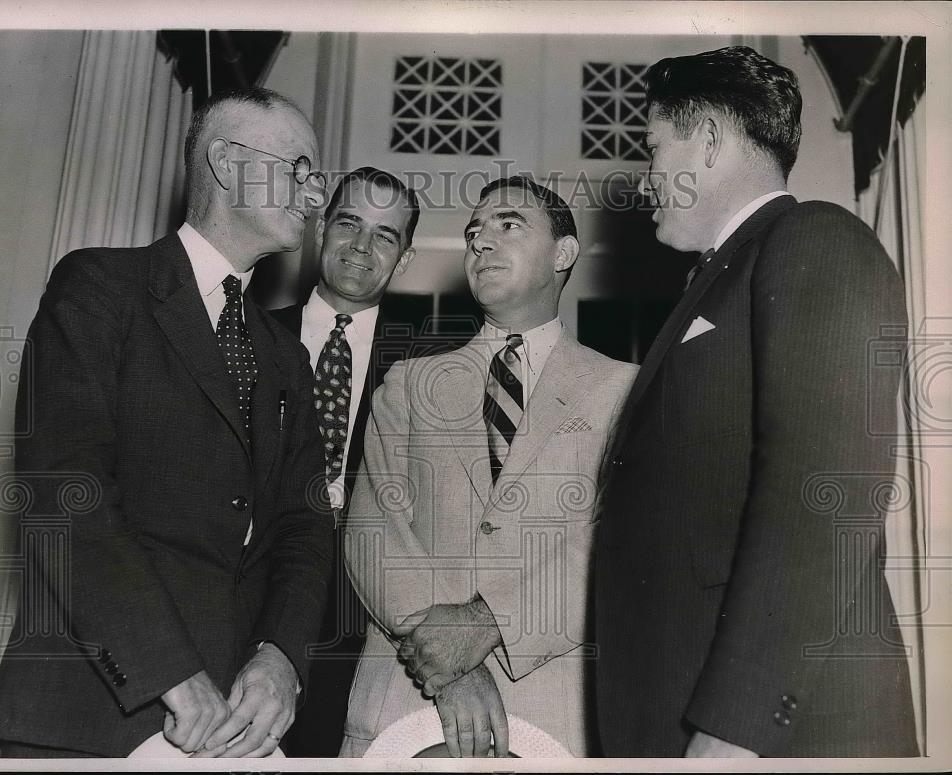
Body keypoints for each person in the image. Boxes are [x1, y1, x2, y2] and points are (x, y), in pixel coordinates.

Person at [0, 87, 333, 758]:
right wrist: (168, 669)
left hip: (234, 725)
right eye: (298, 167)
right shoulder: (98, 288)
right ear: (229, 163)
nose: (313, 194)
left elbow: (305, 524)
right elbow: (64, 488)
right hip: (95, 709)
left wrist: (281, 657)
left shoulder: (286, 355)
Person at [594, 46, 918, 757]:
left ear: (707, 139)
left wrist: (734, 724)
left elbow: (822, 491)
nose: (645, 177)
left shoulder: (814, 241)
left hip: (764, 737)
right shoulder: (709, 285)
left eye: (653, 148)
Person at [341, 176, 638, 757]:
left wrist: (491, 622)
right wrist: (448, 667)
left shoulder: (624, 391)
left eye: (508, 224)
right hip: (407, 703)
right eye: (474, 231)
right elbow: (373, 534)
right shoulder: (408, 383)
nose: (479, 242)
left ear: (565, 253)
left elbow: (622, 545)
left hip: (556, 715)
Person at [270, 167, 420, 756]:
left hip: (364, 621)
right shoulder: (244, 335)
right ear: (319, 230)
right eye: (349, 223)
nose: (362, 246)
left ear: (404, 260)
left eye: (385, 236)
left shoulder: (429, 364)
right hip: (247, 603)